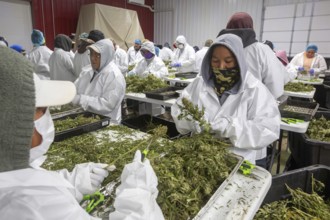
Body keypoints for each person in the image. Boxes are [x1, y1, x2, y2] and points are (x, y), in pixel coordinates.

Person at [0, 46, 163, 220]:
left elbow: (25, 179)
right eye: (40, 109)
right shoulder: (34, 205)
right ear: (13, 125)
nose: (47, 115)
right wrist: (138, 193)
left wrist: (71, 181)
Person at [171, 34, 280, 164]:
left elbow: (268, 129)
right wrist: (191, 121)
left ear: (239, 60)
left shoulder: (254, 88)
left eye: (228, 61)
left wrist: (231, 128)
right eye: (215, 61)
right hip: (199, 157)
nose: (221, 67)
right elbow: (178, 110)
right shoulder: (199, 84)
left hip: (236, 161)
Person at [218, 12, 286, 100]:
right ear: (251, 27)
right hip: (254, 105)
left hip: (223, 105)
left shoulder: (217, 49)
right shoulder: (262, 50)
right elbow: (275, 85)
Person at [73, 39, 126, 124]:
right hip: (86, 120)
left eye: (97, 55)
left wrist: (81, 99)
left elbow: (108, 105)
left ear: (106, 56)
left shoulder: (114, 76)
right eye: (91, 54)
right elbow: (75, 87)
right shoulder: (87, 70)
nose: (93, 59)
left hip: (107, 123)